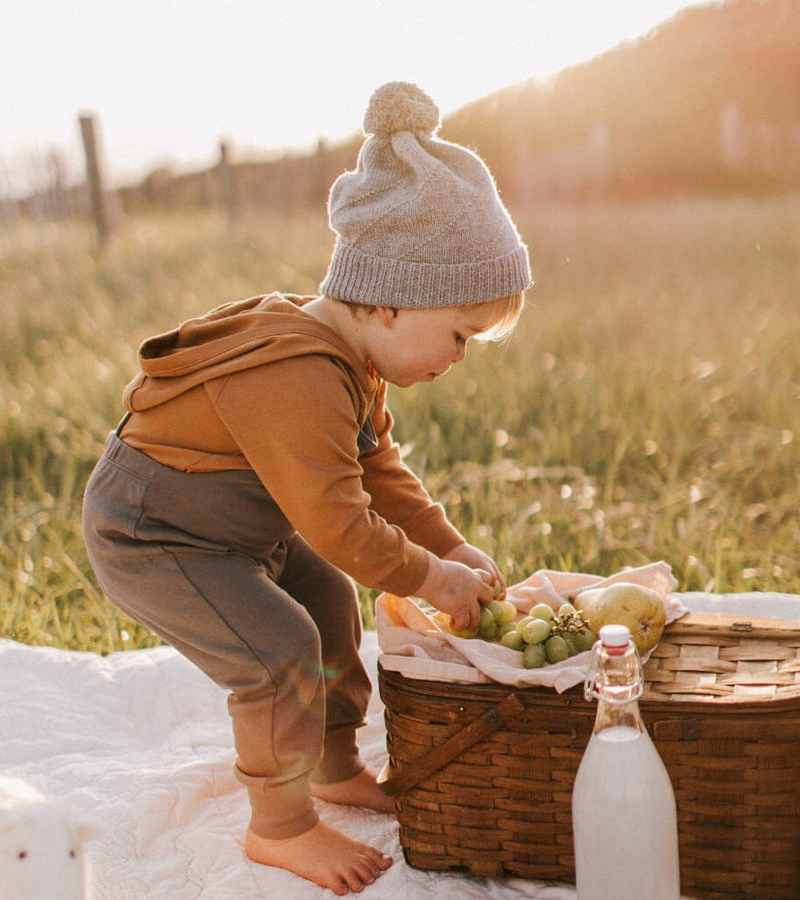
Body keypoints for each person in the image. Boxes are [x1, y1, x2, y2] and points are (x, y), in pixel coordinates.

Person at [81, 81, 531, 895]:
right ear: (395, 301)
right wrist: (433, 581)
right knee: (276, 652)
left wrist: (449, 546)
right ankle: (280, 827)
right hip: (154, 535)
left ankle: (330, 764)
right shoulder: (297, 372)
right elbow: (338, 522)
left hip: (236, 529)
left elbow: (377, 473)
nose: (460, 355)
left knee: (327, 604)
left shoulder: (351, 361)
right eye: (459, 333)